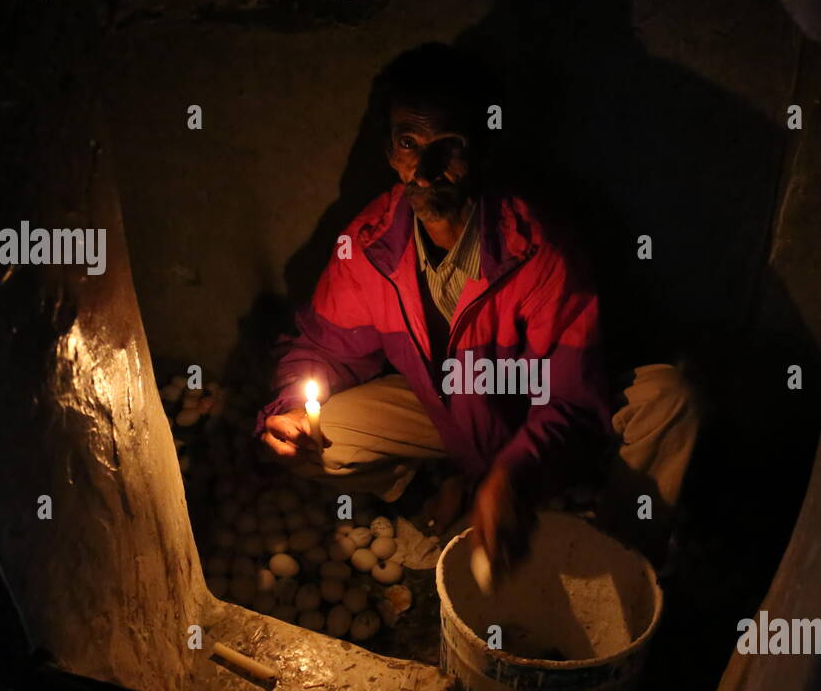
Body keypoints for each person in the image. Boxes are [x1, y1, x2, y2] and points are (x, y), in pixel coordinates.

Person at [255, 43, 698, 577]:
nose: (425, 170)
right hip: (447, 405)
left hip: (524, 406)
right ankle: (430, 493)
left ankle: (616, 565)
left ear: (484, 150)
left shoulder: (535, 249)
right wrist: (289, 407)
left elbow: (571, 398)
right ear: (390, 151)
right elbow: (323, 348)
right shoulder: (369, 246)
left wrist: (514, 473)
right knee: (313, 442)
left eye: (449, 147)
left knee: (671, 401)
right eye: (408, 143)